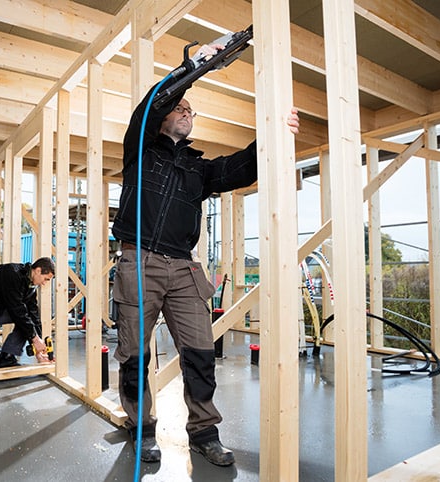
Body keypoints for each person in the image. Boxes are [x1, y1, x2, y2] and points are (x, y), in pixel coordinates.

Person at [111, 43, 299, 466]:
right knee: (135, 354)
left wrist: (275, 133)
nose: (186, 112)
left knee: (199, 352)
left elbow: (243, 167)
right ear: (164, 117)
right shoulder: (139, 150)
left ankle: (204, 433)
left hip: (183, 267)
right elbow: (147, 108)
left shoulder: (200, 168)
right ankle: (141, 428)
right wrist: (192, 69)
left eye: (191, 110)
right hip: (138, 262)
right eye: (180, 107)